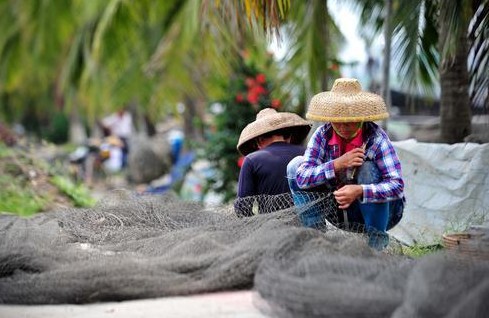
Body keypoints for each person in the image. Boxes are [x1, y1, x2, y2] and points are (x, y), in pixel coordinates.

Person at [287, 78, 405, 250]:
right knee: (295, 166)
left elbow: (397, 186)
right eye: (337, 120)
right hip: (339, 212)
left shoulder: (377, 139)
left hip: (384, 213)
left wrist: (360, 191)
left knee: (368, 168)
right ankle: (316, 243)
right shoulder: (322, 135)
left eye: (349, 120)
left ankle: (376, 248)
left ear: (361, 119)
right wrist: (337, 164)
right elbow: (302, 177)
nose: (343, 126)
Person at [234, 108, 312, 217]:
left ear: (259, 140)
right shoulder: (308, 153)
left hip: (273, 230)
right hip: (313, 228)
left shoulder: (251, 160)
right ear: (288, 135)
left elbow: (243, 207)